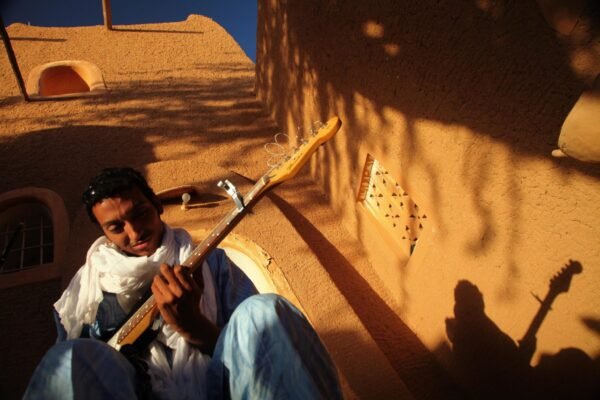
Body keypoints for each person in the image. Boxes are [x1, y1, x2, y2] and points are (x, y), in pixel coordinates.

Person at [24, 167, 342, 400]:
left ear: (158, 206)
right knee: (70, 358)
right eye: (117, 226)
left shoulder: (212, 263)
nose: (134, 233)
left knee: (264, 313)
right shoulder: (84, 292)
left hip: (222, 390)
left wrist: (194, 326)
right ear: (104, 234)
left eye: (140, 214)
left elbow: (255, 354)